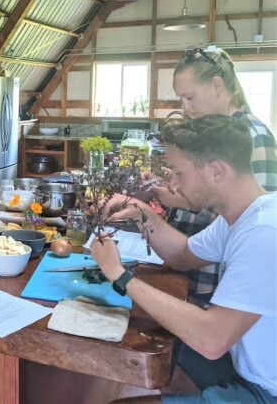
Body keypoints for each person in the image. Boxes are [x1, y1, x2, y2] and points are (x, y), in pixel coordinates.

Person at [90, 115, 276, 403]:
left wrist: (119, 274)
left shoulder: (265, 233)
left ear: (216, 171)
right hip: (244, 366)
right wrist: (141, 212)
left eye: (179, 173)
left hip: (265, 391)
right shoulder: (240, 217)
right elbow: (182, 254)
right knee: (156, 339)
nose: (173, 185)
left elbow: (212, 340)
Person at [151, 47, 277, 308]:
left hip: (222, 287)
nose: (185, 107)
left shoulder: (254, 135)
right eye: (181, 99)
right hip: (195, 266)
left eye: (190, 97)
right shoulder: (211, 130)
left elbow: (251, 217)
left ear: (217, 85)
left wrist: (184, 201)